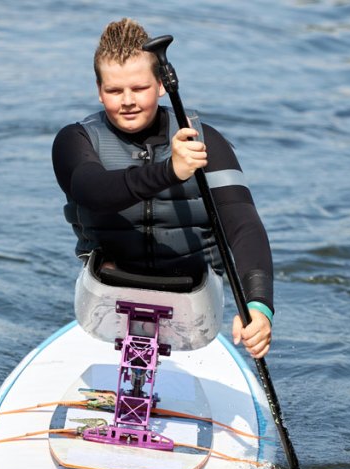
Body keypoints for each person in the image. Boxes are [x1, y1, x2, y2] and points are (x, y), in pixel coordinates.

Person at [52, 17, 275, 359]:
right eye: (114, 91)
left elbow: (242, 224)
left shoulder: (205, 141)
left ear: (160, 85)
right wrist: (171, 171)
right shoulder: (76, 140)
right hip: (106, 293)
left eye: (139, 88)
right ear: (99, 90)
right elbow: (91, 190)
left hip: (195, 299)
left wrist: (258, 305)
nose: (127, 101)